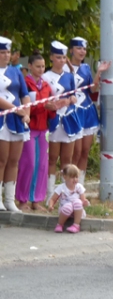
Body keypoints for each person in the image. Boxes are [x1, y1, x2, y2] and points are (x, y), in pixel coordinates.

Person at [67, 37, 110, 185]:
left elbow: (92, 89)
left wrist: (99, 72)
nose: (82, 51)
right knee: (76, 151)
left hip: (87, 110)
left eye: (84, 49)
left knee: (85, 150)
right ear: (71, 50)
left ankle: (80, 185)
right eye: (79, 48)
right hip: (73, 111)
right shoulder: (66, 68)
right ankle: (69, 184)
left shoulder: (85, 68)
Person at [17, 52, 56, 211]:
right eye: (38, 66)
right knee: (29, 163)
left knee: (42, 165)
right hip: (29, 128)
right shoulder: (25, 84)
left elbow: (50, 108)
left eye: (43, 66)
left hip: (43, 129)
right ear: (30, 66)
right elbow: (26, 109)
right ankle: (22, 199)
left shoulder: (46, 86)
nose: (41, 69)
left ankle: (37, 200)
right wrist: (43, 107)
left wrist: (53, 108)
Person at [43, 41, 80, 203]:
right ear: (51, 57)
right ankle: (49, 193)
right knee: (52, 158)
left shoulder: (69, 76)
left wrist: (72, 99)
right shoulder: (45, 77)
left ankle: (66, 194)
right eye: (58, 57)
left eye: (64, 57)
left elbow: (74, 96)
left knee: (67, 160)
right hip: (52, 121)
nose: (62, 60)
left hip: (69, 120)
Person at [0, 36, 31, 212]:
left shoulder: (16, 71)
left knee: (14, 160)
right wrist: (16, 109)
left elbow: (24, 93)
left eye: (8, 52)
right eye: (2, 52)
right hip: (1, 120)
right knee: (1, 159)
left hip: (17, 120)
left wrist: (26, 113)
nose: (6, 56)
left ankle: (9, 199)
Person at [48, 164, 89, 233]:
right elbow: (52, 199)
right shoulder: (61, 188)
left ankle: (76, 225)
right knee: (68, 206)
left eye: (76, 177)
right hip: (65, 211)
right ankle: (60, 224)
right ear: (65, 177)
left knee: (77, 202)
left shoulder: (79, 187)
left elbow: (83, 200)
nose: (75, 179)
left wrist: (85, 202)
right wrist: (50, 206)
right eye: (72, 177)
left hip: (77, 211)